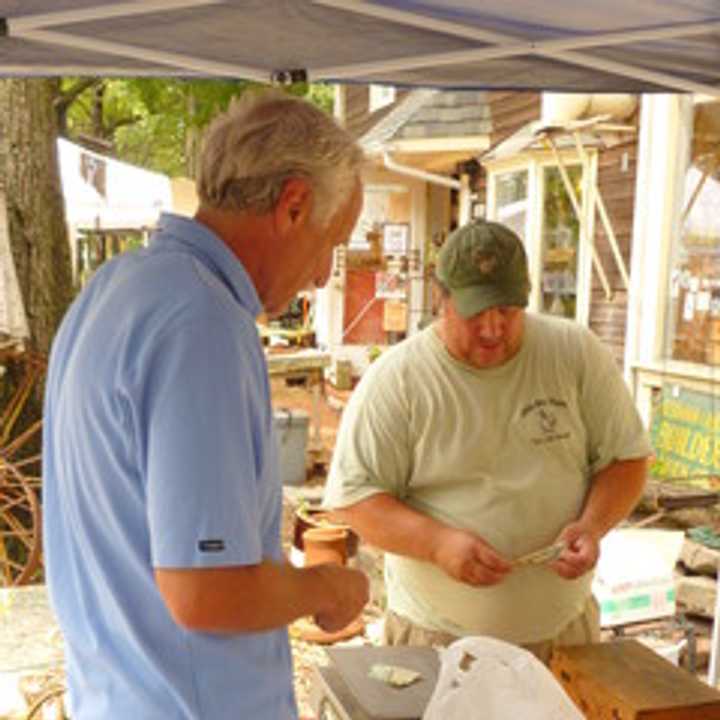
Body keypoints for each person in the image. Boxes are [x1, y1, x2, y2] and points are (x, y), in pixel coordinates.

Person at [42, 89, 369, 720]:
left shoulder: (116, 286)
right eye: (334, 240)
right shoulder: (203, 321)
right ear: (294, 205)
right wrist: (327, 585)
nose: (325, 274)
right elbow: (206, 592)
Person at [323, 219, 651, 662]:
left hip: (565, 638)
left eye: (508, 310)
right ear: (442, 300)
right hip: (438, 642)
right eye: (475, 312)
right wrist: (437, 544)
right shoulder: (398, 381)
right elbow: (354, 499)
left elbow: (626, 460)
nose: (493, 328)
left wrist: (593, 526)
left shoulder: (575, 353)